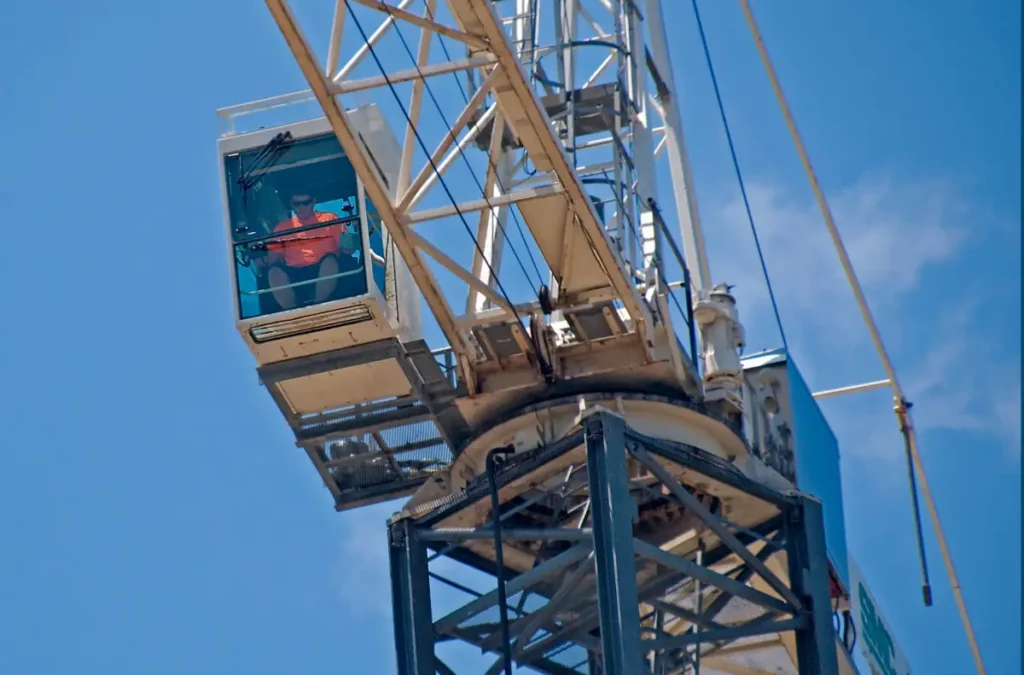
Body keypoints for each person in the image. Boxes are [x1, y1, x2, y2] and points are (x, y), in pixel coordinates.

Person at [260, 191, 361, 311]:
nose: (301, 207)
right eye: (297, 204)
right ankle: (292, 312)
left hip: (325, 269)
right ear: (291, 205)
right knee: (274, 272)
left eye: (305, 203)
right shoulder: (281, 228)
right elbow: (273, 258)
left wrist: (354, 240)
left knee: (329, 260)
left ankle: (319, 307)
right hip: (295, 274)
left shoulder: (329, 218)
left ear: (313, 202)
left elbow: (347, 246)